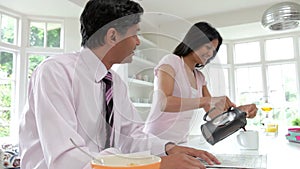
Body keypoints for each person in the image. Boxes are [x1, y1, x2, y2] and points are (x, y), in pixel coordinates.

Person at [19, 1, 221, 169]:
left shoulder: (115, 83)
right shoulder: (55, 72)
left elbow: (130, 136)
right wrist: (157, 164)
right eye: (135, 34)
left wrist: (169, 148)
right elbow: (66, 159)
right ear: (113, 36)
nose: (138, 42)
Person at [144, 22, 258, 144]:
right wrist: (208, 100)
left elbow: (214, 115)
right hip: (155, 139)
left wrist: (240, 112)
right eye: (208, 47)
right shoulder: (171, 61)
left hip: (180, 141)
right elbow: (164, 103)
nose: (210, 54)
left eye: (214, 51)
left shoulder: (199, 77)